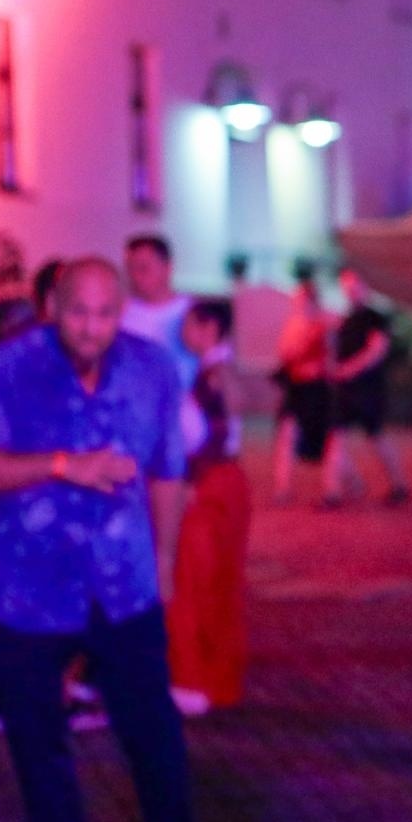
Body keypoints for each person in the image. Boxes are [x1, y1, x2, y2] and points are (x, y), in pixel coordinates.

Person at [0, 259, 217, 822]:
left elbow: (169, 472)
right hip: (28, 594)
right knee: (39, 743)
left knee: (154, 734)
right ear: (53, 308)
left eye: (104, 313)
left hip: (125, 586)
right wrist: (62, 465)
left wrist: (168, 559)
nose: (92, 329)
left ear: (119, 310)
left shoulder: (151, 367)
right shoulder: (7, 370)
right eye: (77, 313)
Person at [167, 299, 251, 716]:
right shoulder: (213, 370)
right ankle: (216, 681)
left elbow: (233, 408)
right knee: (218, 583)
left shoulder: (216, 373)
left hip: (211, 483)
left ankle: (192, 681)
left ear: (207, 327)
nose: (183, 332)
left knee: (193, 582)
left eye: (188, 325)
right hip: (226, 482)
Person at [322, 268, 410, 506]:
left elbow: (376, 351)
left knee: (377, 436)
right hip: (346, 389)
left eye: (353, 286)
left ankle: (399, 485)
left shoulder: (376, 317)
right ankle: (332, 493)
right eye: (346, 287)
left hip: (368, 389)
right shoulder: (347, 319)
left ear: (364, 287)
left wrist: (347, 370)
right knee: (336, 436)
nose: (350, 292)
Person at [270, 278, 332, 503]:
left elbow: (326, 360)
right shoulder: (292, 326)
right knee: (287, 436)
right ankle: (283, 489)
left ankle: (349, 483)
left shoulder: (322, 326)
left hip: (316, 391)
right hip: (296, 390)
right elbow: (285, 354)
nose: (297, 303)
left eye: (301, 299)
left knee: (325, 442)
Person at [122, 235, 196, 386]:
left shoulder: (193, 313)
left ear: (167, 268)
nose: (135, 276)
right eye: (130, 269)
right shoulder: (120, 314)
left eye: (143, 268)